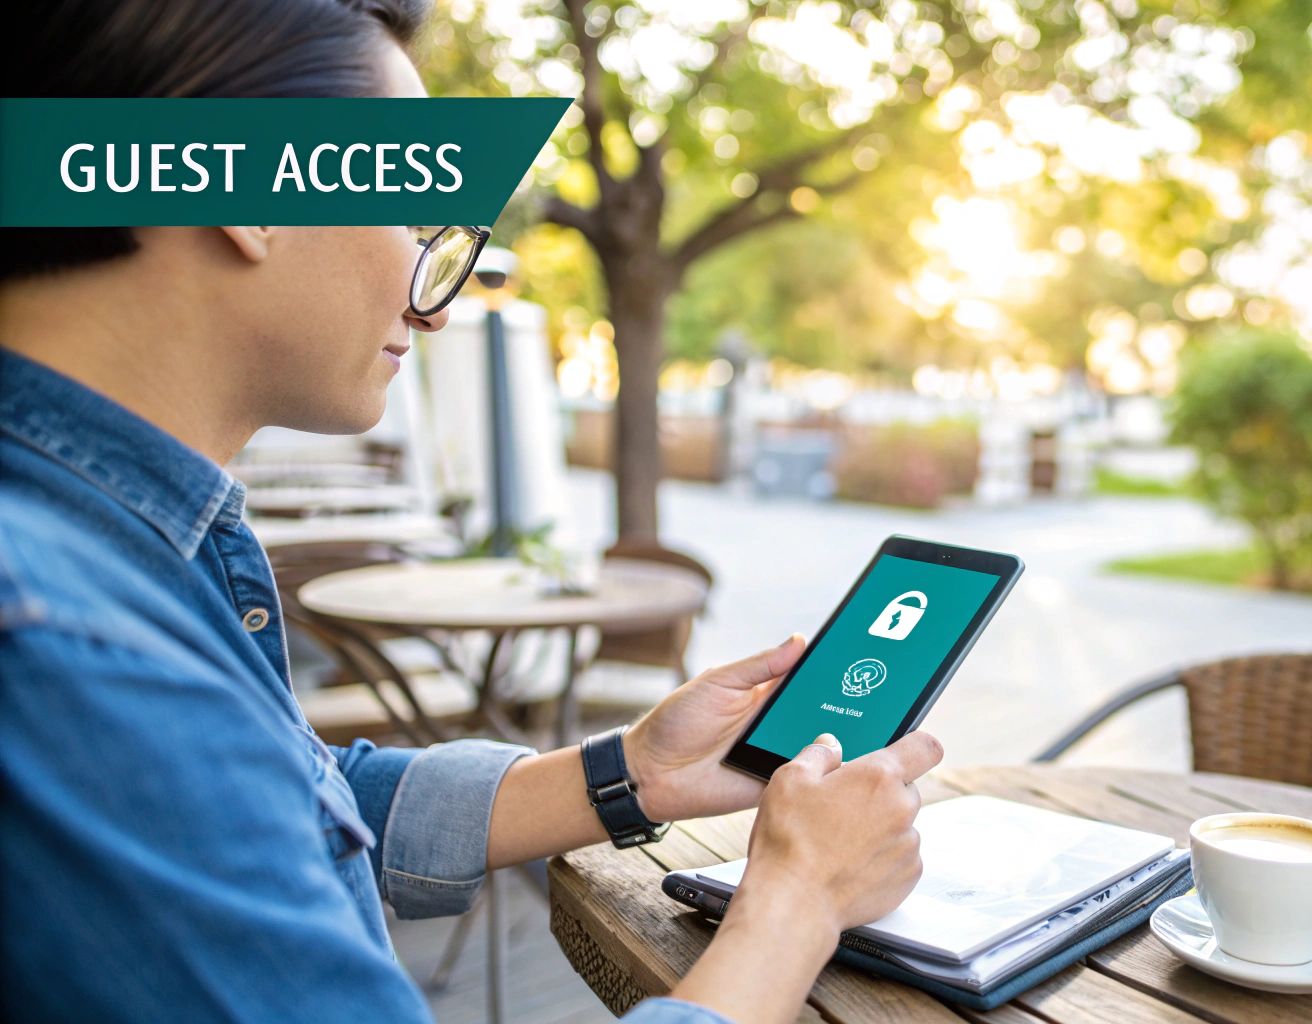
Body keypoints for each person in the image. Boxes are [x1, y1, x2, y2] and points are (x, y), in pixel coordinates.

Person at [0, 2, 942, 1022]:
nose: (434, 301)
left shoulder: (107, 559)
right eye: (411, 214)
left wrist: (629, 772)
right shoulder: (64, 645)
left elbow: (268, 804)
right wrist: (798, 900)